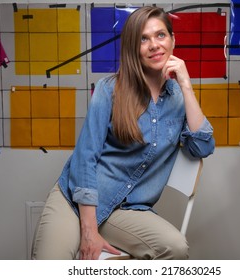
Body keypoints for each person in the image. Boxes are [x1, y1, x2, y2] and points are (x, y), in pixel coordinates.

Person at [31, 6, 215, 260]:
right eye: (143, 38)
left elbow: (203, 147)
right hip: (76, 201)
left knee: (176, 248)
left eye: (161, 35)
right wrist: (89, 230)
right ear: (133, 48)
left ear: (173, 41)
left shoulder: (179, 100)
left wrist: (186, 86)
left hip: (126, 210)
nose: (154, 45)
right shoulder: (110, 90)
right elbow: (85, 158)